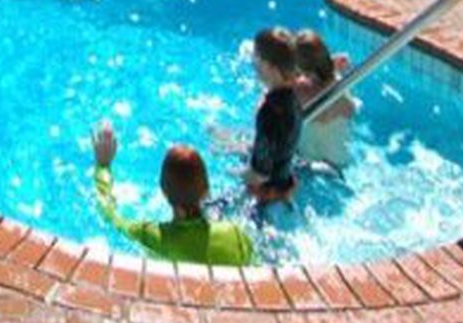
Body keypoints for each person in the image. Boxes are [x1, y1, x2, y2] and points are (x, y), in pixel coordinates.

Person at [89, 120, 254, 267]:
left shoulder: (151, 236)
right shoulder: (236, 236)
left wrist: (103, 167)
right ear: (206, 191)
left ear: (164, 192)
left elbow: (110, 214)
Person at [243, 27, 301, 204]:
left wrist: (239, 175)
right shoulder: (293, 97)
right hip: (284, 182)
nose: (254, 64)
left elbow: (260, 174)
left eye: (256, 59)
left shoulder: (269, 112)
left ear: (271, 67)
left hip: (265, 196)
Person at [293, 29, 357, 169]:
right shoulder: (342, 88)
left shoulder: (299, 90)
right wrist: (331, 66)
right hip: (338, 163)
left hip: (307, 163)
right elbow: (352, 111)